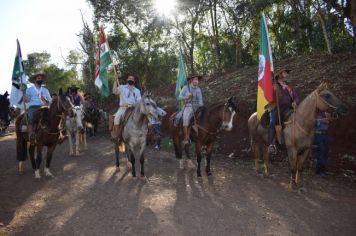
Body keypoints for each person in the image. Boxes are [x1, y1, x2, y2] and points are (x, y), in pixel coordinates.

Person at [267, 68, 300, 154]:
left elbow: (296, 96)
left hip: (288, 108)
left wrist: (295, 102)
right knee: (273, 121)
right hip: (276, 107)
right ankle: (271, 144)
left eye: (287, 73)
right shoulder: (274, 84)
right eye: (285, 73)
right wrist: (273, 90)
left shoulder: (288, 86)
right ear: (280, 74)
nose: (287, 75)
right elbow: (268, 95)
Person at [111, 74, 142, 141]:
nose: (130, 79)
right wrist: (115, 81)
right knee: (116, 118)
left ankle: (145, 135)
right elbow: (114, 91)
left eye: (132, 78)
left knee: (142, 118)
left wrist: (133, 105)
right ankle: (117, 135)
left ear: (134, 81)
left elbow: (139, 101)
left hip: (133, 109)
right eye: (129, 78)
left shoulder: (137, 91)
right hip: (123, 108)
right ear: (127, 80)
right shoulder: (122, 87)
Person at [23, 72, 52, 144]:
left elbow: (50, 101)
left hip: (44, 107)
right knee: (30, 117)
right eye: (39, 78)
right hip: (33, 107)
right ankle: (31, 135)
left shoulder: (45, 90)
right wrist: (24, 97)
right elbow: (27, 100)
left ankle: (57, 134)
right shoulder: (29, 90)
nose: (40, 79)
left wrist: (45, 100)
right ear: (34, 80)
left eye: (41, 78)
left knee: (53, 116)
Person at [178, 75, 204, 145]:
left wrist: (201, 106)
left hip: (197, 106)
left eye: (197, 80)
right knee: (186, 118)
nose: (197, 81)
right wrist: (186, 96)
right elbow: (179, 97)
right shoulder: (186, 88)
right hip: (188, 106)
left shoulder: (198, 89)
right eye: (195, 80)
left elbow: (200, 99)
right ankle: (186, 137)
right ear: (191, 81)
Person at [314, 112, 331, 177]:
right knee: (321, 152)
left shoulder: (327, 113)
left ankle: (319, 170)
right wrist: (321, 120)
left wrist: (328, 118)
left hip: (325, 134)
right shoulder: (316, 111)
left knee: (325, 153)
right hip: (318, 134)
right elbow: (312, 121)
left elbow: (329, 121)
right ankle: (321, 171)